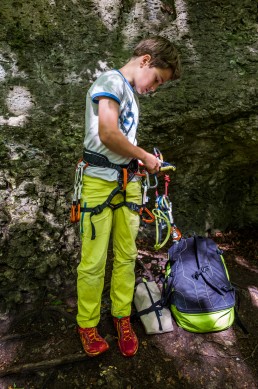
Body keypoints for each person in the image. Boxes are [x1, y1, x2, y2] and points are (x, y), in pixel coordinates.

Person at [76, 36, 181, 357]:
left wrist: (141, 162)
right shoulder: (110, 81)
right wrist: (145, 156)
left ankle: (121, 316)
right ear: (146, 60)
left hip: (128, 184)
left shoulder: (130, 96)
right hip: (98, 183)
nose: (154, 87)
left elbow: (119, 142)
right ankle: (87, 323)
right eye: (158, 80)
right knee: (93, 261)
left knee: (126, 256)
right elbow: (107, 133)